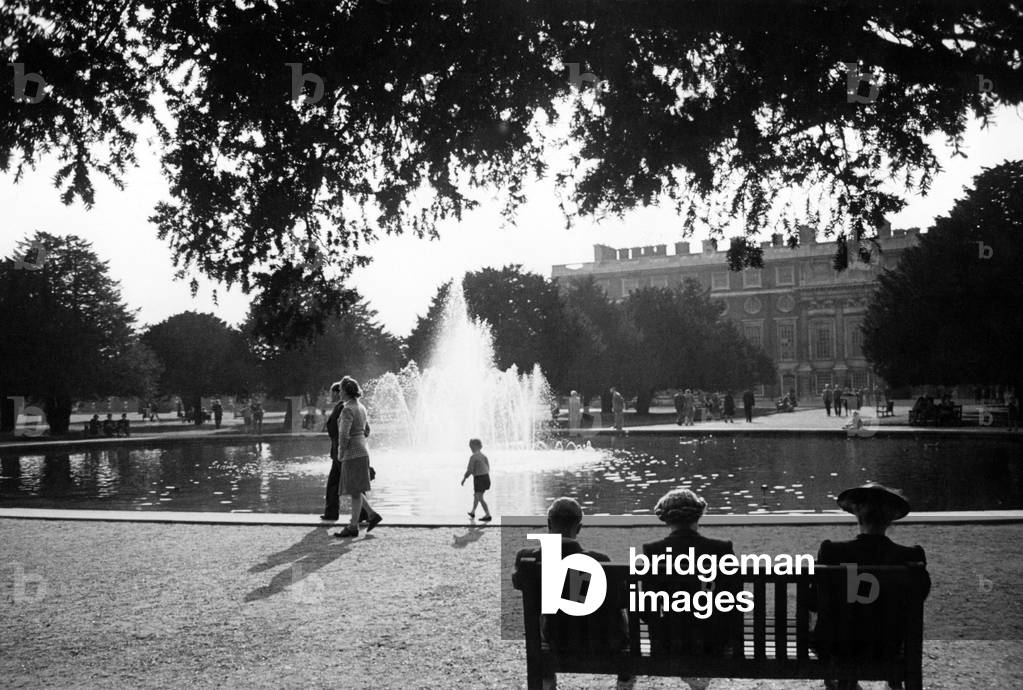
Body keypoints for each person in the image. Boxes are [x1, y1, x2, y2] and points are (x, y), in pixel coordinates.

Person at [813, 484, 931, 690]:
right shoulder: (911, 557)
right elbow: (918, 598)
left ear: (857, 513)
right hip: (889, 648)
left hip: (841, 649)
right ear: (891, 518)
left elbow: (814, 602)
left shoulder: (832, 552)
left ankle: (844, 681)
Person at [512, 498, 635, 690]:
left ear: (549, 524)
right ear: (578, 528)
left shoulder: (527, 558)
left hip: (557, 638)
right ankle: (625, 681)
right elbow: (620, 601)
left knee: (544, 615)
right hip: (604, 641)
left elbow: (518, 582)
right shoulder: (600, 560)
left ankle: (546, 681)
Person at [642, 488, 738, 690]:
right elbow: (734, 602)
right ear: (698, 514)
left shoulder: (652, 550)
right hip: (713, 641)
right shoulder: (721, 549)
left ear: (666, 518)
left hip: (668, 641)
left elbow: (646, 609)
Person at [333, 376, 382, 538]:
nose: (339, 393)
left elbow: (343, 434)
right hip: (362, 450)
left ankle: (353, 526)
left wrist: (340, 452)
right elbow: (367, 430)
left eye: (340, 390)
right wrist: (360, 437)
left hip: (352, 453)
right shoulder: (361, 407)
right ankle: (372, 515)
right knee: (356, 487)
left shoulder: (347, 409)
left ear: (346, 391)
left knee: (353, 490)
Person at [461, 438, 493, 522]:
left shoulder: (473, 457)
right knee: (477, 496)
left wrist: (464, 478)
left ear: (475, 446)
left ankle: (488, 514)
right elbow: (488, 468)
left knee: (479, 497)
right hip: (486, 477)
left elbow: (470, 470)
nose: (470, 448)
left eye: (471, 446)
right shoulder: (484, 456)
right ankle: (473, 511)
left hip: (479, 479)